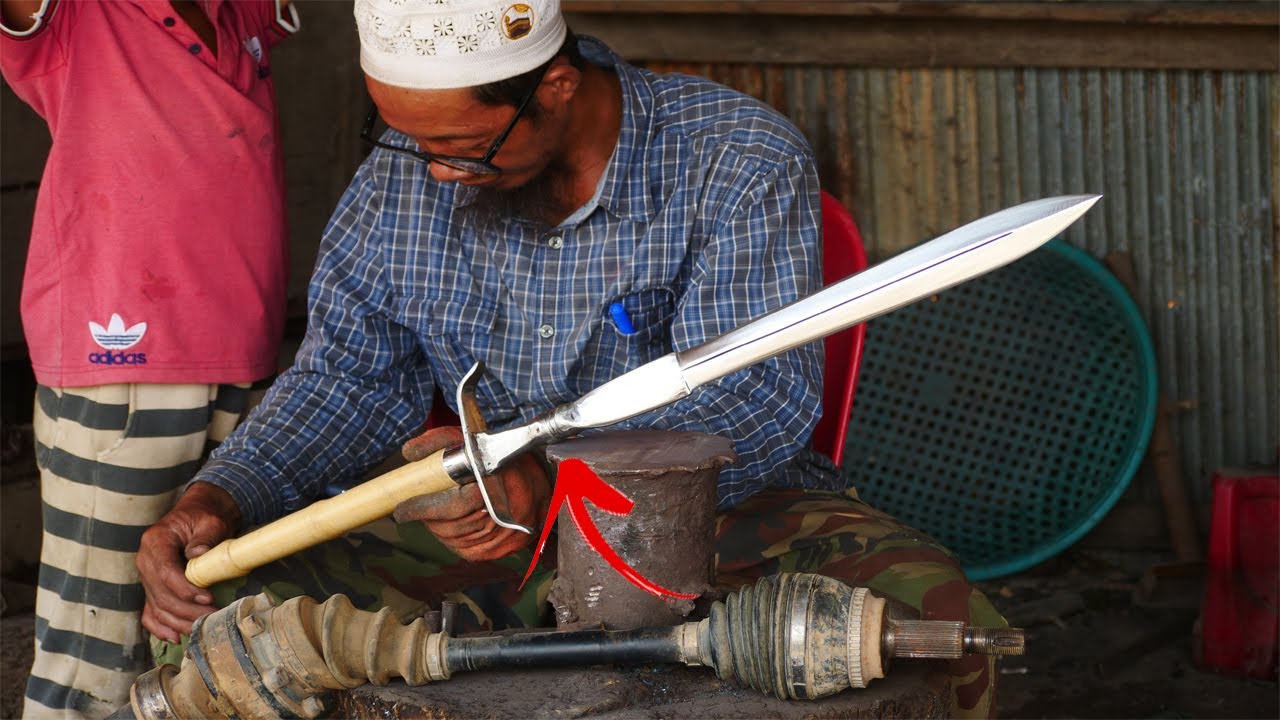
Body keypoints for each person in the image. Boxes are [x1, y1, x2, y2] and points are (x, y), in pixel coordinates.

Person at [135, 0, 1005, 716]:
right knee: (236, 621)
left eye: (462, 147)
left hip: (718, 518)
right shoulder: (403, 178)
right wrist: (225, 493)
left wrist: (556, 486)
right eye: (401, 137)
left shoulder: (733, 158)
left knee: (931, 613)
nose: (434, 174)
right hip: (488, 529)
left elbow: (758, 399)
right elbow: (349, 375)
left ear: (554, 85)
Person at [0, 0, 299, 717]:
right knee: (98, 644)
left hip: (243, 355)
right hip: (124, 362)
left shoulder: (240, 12)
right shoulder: (78, 17)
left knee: (207, 627)